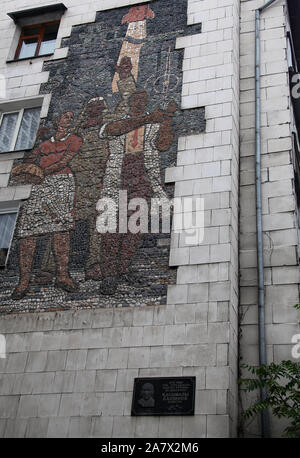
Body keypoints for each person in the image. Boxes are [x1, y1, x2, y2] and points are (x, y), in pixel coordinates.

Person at [97, 89, 176, 295]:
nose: (140, 102)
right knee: (112, 228)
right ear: (130, 101)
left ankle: (123, 269)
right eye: (137, 99)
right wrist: (150, 117)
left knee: (135, 226)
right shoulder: (121, 121)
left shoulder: (153, 125)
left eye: (144, 99)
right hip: (118, 174)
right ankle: (108, 276)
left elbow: (163, 144)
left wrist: (166, 119)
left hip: (142, 174)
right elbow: (111, 130)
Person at [11, 112, 82, 300]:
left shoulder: (74, 139)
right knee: (27, 232)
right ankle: (23, 280)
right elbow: (29, 159)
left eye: (70, 117)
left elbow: (64, 162)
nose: (68, 119)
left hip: (61, 183)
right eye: (65, 116)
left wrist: (40, 172)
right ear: (57, 120)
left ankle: (63, 276)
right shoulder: (43, 143)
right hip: (39, 186)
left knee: (61, 231)